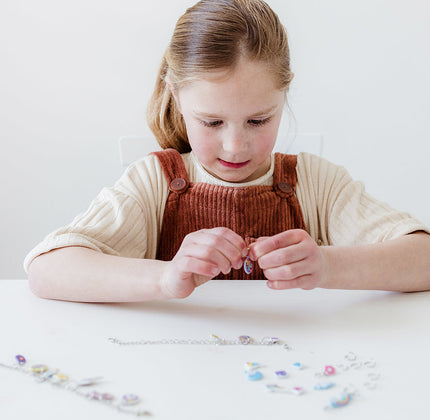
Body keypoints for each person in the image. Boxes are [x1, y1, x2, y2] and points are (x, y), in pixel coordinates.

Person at [25, 0, 430, 302]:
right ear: (177, 98)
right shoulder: (153, 182)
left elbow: (423, 258)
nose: (236, 146)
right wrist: (166, 278)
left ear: (283, 95)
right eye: (212, 122)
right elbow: (46, 271)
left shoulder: (316, 183)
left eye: (258, 121)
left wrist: (326, 265)